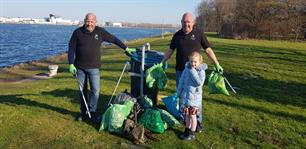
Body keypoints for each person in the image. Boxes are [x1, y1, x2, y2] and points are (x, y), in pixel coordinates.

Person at [68, 13, 135, 123]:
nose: (89, 24)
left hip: (94, 68)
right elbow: (71, 48)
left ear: (95, 22)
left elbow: (114, 39)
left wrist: (126, 48)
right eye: (87, 21)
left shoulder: (100, 32)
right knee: (82, 91)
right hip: (79, 67)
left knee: (95, 91)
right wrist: (71, 63)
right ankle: (83, 112)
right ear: (84, 21)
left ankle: (92, 111)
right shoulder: (77, 32)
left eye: (91, 21)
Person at [162, 12, 224, 132]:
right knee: (182, 97)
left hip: (195, 74)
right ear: (181, 22)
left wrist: (216, 63)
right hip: (181, 72)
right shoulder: (177, 35)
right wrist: (162, 61)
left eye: (188, 22)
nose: (186, 24)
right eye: (184, 22)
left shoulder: (199, 34)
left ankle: (198, 122)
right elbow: (170, 50)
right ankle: (186, 120)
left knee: (195, 99)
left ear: (193, 23)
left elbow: (208, 50)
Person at [177, 51, 207, 140]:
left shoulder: (201, 71)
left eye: (195, 62)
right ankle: (187, 130)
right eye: (191, 61)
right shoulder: (186, 69)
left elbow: (199, 83)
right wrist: (178, 93)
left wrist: (192, 71)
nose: (193, 64)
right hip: (186, 98)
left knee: (193, 116)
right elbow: (181, 81)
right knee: (187, 116)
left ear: (200, 62)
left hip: (194, 100)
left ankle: (192, 133)